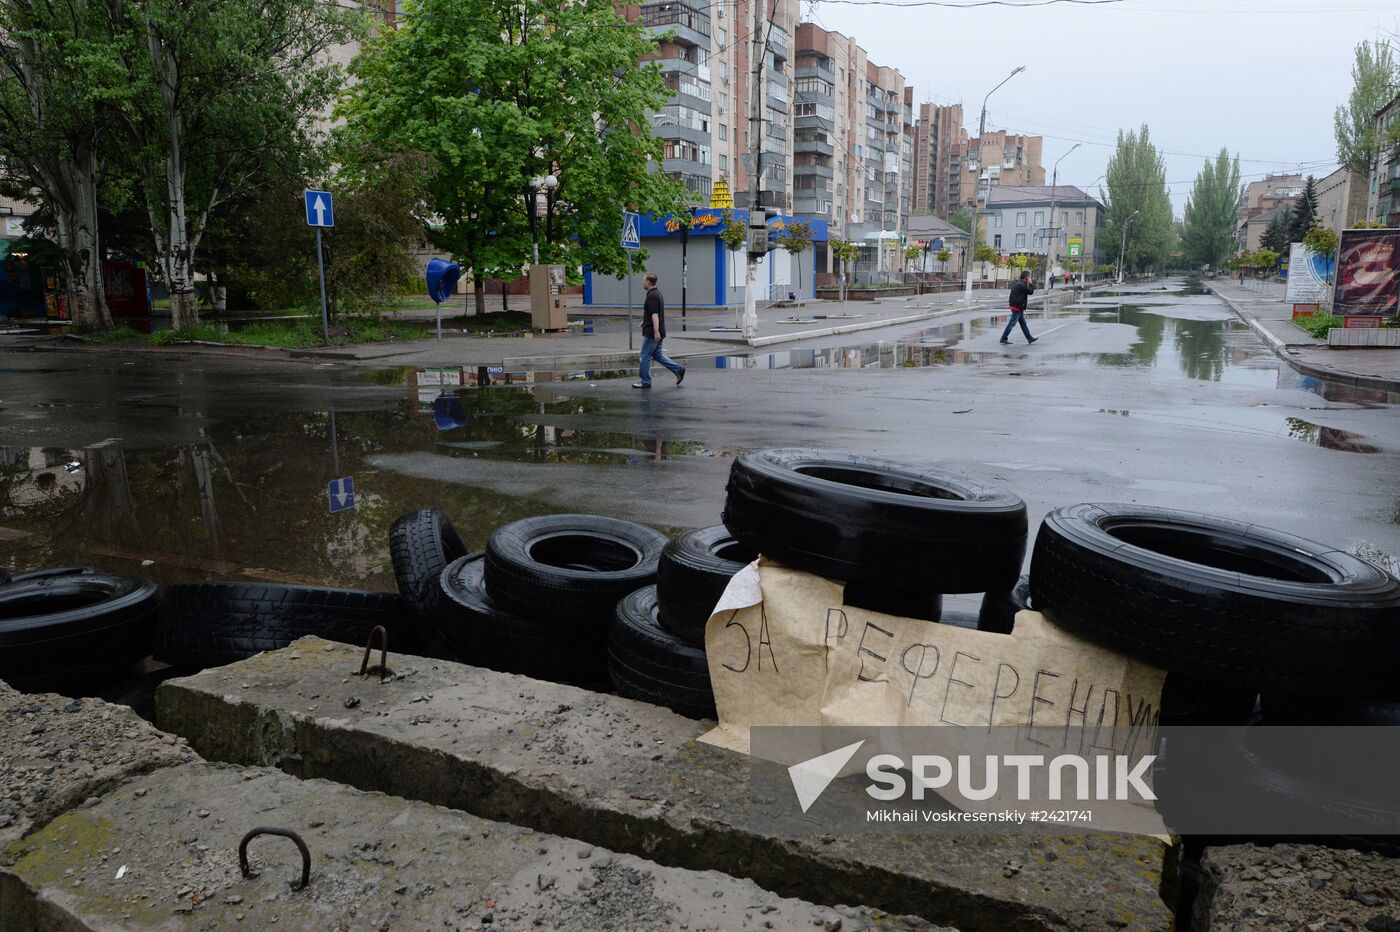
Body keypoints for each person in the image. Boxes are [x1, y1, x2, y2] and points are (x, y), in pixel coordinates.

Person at [633, 271, 686, 389]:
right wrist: (645, 321)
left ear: (648, 282)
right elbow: (652, 313)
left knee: (644, 356)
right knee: (657, 354)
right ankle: (678, 370)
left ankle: (645, 381)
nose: (643, 282)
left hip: (652, 333)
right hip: (658, 330)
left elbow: (655, 314)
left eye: (643, 280)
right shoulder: (657, 293)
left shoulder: (652, 296)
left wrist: (656, 332)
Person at [1000, 271, 1038, 345]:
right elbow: (1030, 292)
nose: (1030, 278)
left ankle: (1029, 338)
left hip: (1017, 306)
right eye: (1029, 277)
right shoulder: (1021, 285)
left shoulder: (1019, 283)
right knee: (1011, 324)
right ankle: (1003, 338)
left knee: (1023, 324)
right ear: (1026, 278)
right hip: (1017, 307)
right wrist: (1030, 283)